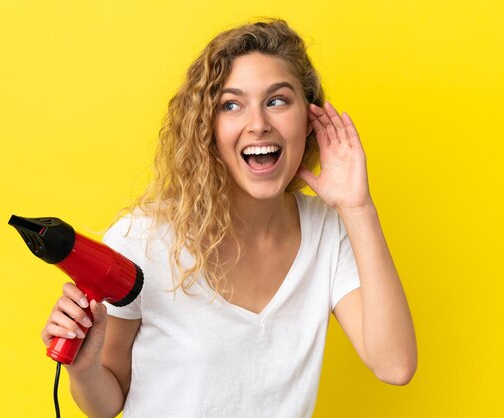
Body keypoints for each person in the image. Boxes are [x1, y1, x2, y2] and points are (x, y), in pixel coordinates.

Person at [41, 19, 417, 417]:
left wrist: (358, 208)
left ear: (309, 120)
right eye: (231, 105)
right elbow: (107, 402)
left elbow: (394, 365)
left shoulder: (326, 229)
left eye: (277, 100)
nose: (258, 124)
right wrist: (83, 370)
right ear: (208, 128)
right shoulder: (145, 240)